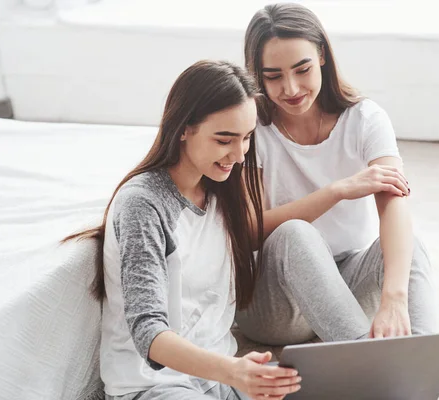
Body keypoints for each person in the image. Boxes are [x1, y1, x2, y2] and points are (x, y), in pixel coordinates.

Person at [64, 60, 301, 400]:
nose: (238, 154)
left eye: (246, 138)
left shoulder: (222, 190)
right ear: (184, 129)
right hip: (154, 386)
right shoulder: (143, 204)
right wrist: (235, 370)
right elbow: (149, 332)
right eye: (224, 140)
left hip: (220, 380)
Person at [235, 3, 439, 346]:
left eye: (303, 69)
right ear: (257, 75)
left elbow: (395, 205)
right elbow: (249, 230)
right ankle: (364, 365)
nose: (291, 88)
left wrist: (394, 298)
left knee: (410, 247)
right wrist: (336, 191)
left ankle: (418, 360)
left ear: (322, 57)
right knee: (295, 234)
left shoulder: (365, 118)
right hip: (274, 305)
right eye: (273, 76)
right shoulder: (252, 127)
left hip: (344, 286)